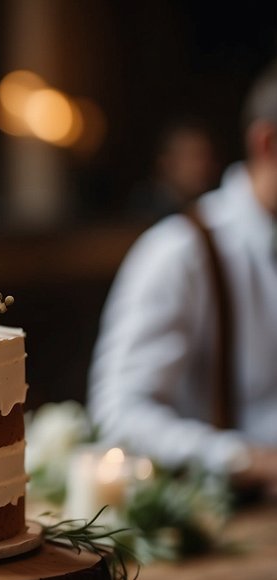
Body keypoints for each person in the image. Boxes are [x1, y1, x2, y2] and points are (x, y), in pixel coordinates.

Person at [89, 59, 277, 497]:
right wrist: (248, 460)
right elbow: (118, 415)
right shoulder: (178, 253)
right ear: (267, 143)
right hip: (234, 529)